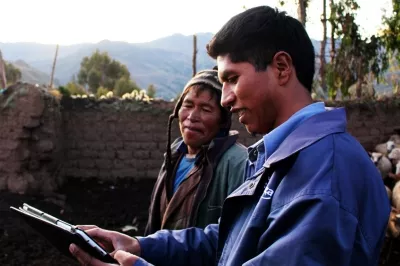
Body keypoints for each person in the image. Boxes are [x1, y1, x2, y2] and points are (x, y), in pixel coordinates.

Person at [70, 6, 391, 266]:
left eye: (233, 79)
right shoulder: (281, 159)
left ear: (281, 68)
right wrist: (142, 246)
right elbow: (230, 239)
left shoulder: (325, 175)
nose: (224, 99)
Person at [145, 69, 247, 234]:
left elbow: (235, 235)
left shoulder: (237, 163)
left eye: (206, 109)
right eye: (188, 105)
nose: (192, 116)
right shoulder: (174, 155)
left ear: (223, 121)